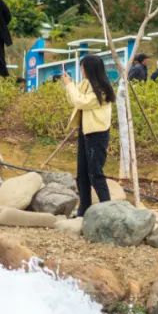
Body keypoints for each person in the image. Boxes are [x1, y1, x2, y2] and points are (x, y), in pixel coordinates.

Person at [61, 54, 115, 217]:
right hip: (85, 131)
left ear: (90, 69)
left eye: (83, 67)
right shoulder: (87, 83)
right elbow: (74, 99)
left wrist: (69, 85)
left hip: (97, 134)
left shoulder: (102, 89)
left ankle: (108, 209)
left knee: (95, 172)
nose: (81, 70)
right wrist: (68, 85)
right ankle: (83, 210)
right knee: (82, 173)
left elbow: (81, 102)